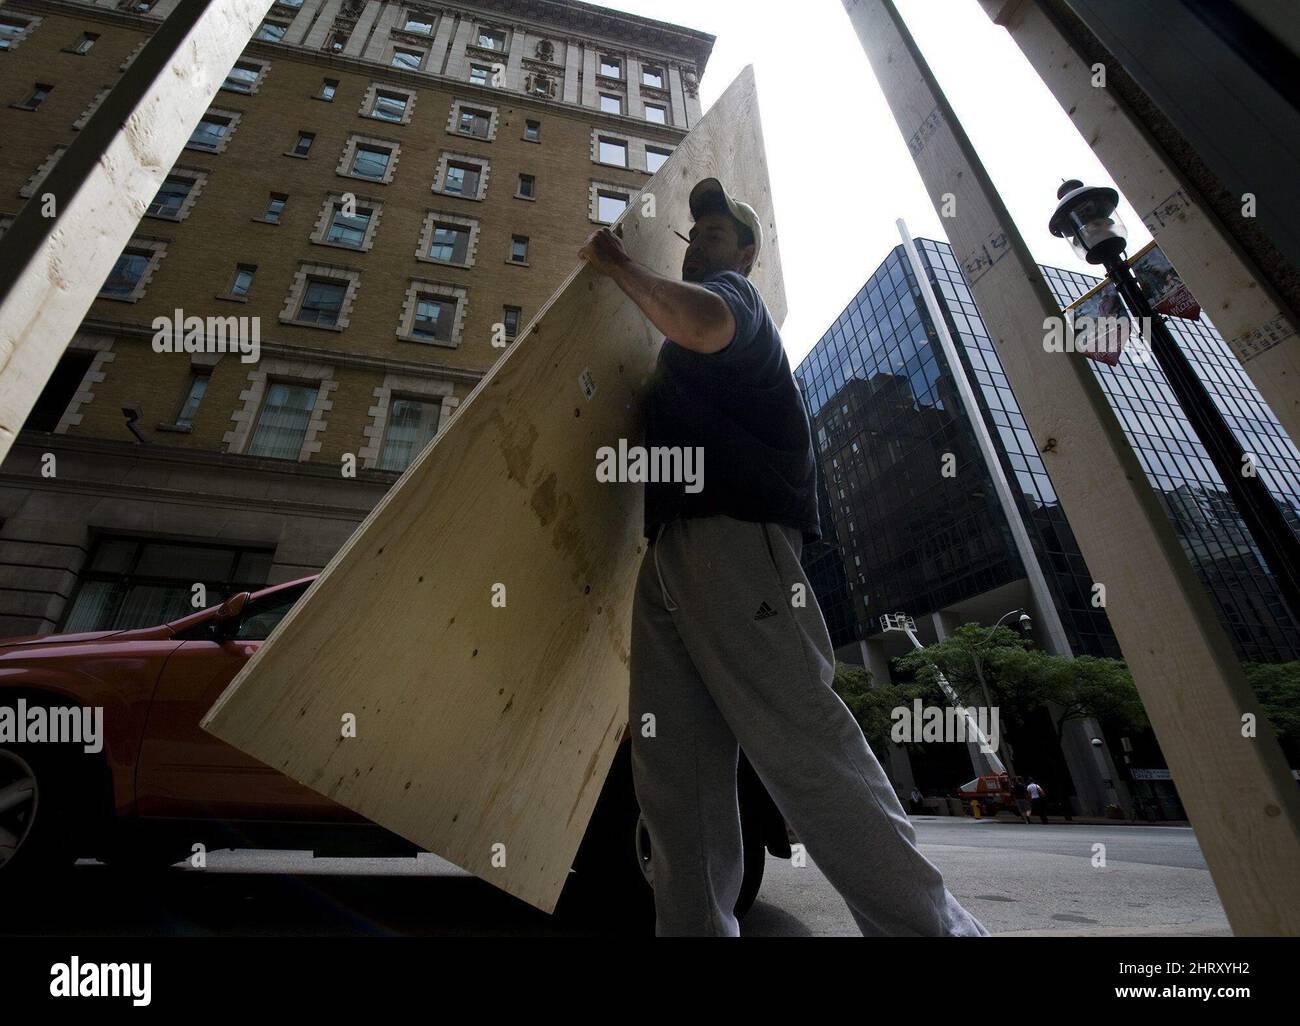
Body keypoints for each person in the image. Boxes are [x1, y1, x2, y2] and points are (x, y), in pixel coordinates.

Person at [577, 178, 989, 938]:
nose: (701, 240)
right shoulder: (680, 347)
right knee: (675, 773)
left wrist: (620, 268)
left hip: (738, 543)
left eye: (717, 232)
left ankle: (937, 933)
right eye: (694, 233)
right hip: (673, 554)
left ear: (746, 251)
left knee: (804, 747)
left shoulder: (736, 303)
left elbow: (702, 322)